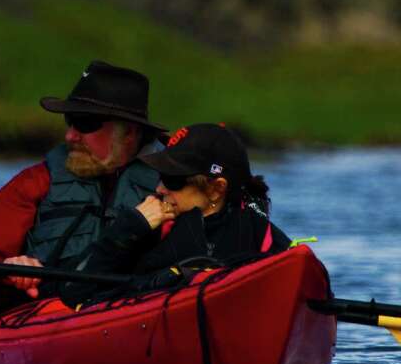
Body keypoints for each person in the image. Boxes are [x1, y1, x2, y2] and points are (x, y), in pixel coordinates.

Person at [0, 60, 167, 316]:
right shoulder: (35, 183)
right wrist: (4, 273)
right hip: (45, 315)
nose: (70, 136)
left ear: (129, 132)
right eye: (70, 121)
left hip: (140, 313)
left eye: (85, 123)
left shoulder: (175, 186)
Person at [60, 123, 291, 307]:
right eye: (160, 176)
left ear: (216, 189)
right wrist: (128, 228)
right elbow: (74, 294)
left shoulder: (266, 238)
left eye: (173, 180)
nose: (160, 188)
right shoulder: (149, 230)